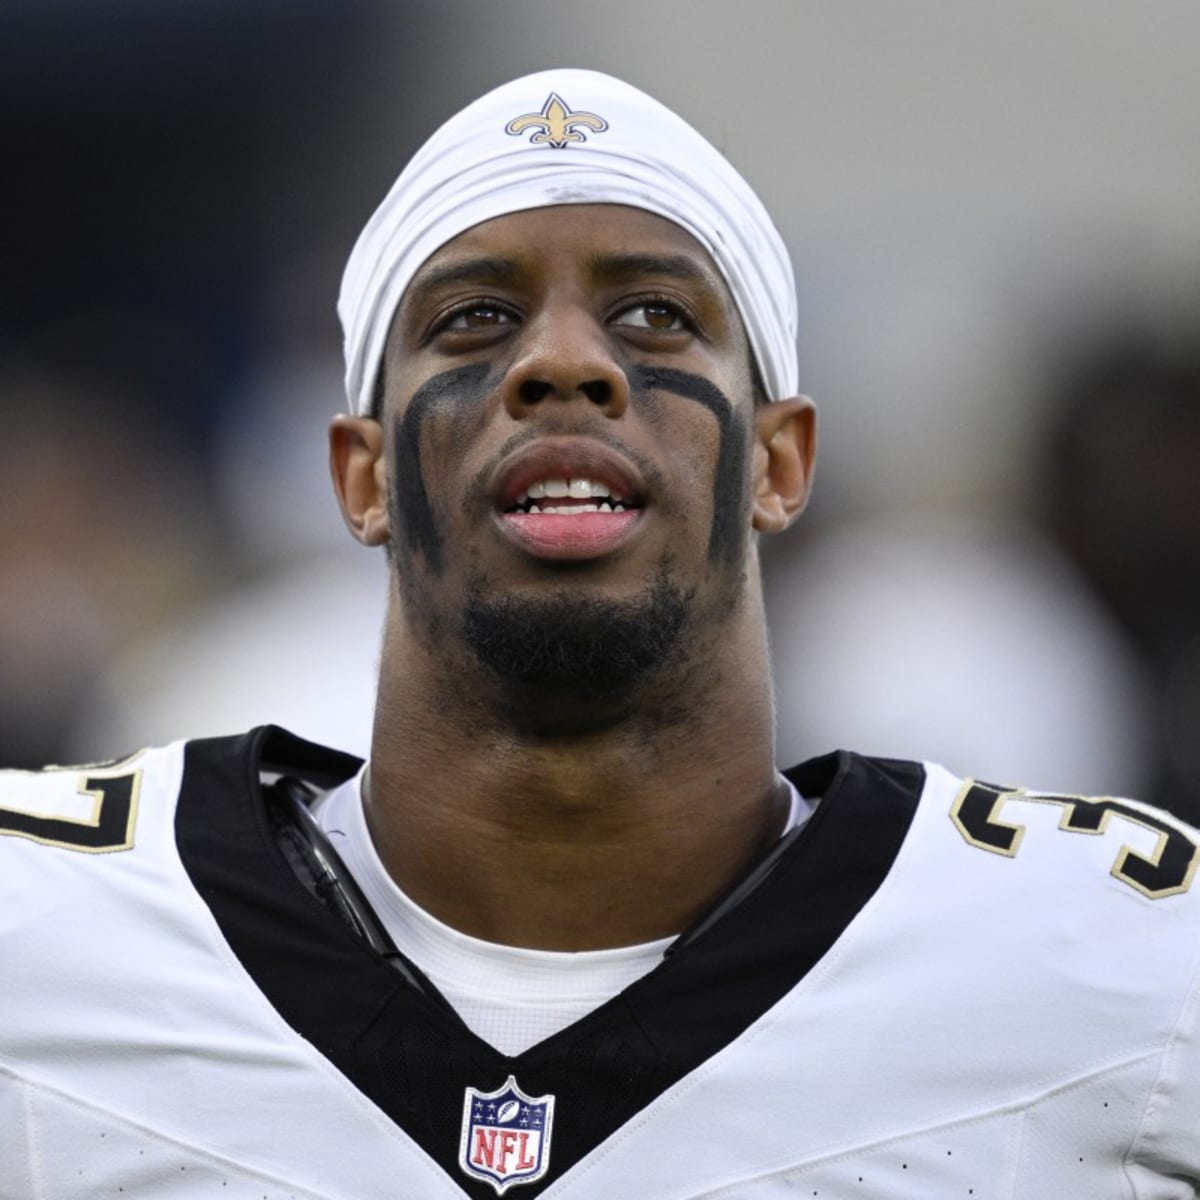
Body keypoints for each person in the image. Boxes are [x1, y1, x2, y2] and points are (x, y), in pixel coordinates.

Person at [2, 68, 1198, 1200]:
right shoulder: (40, 937)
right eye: (474, 318)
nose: (565, 363)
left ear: (781, 463)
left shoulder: (1126, 966)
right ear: (359, 477)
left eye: (655, 314)